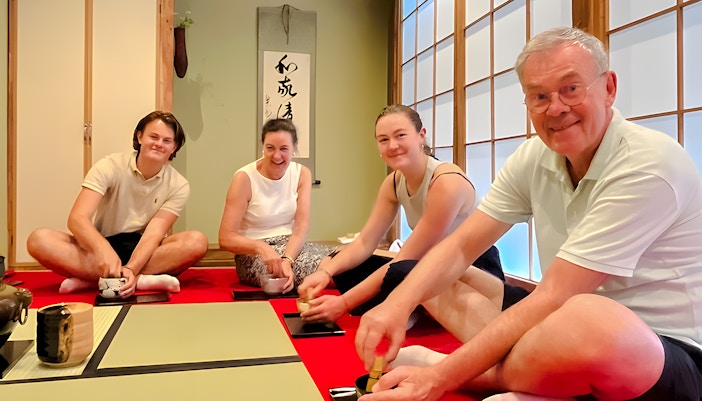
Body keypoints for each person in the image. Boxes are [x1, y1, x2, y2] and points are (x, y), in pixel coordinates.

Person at [355, 27, 702, 401]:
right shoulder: (534, 156)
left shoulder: (648, 163)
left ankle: (481, 376)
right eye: (539, 96)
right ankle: (543, 379)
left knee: (592, 319)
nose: (555, 108)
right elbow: (459, 247)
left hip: (660, 351)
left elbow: (554, 294)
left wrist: (438, 377)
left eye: (571, 88)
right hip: (559, 325)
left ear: (609, 88)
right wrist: (396, 304)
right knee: (419, 273)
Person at [297, 104, 506, 326]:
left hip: (473, 268)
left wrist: (344, 303)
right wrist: (325, 272)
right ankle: (418, 308)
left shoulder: (446, 182)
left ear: (421, 135)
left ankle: (416, 308)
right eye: (384, 139)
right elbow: (365, 242)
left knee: (403, 269)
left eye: (400, 135)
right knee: (343, 261)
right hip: (428, 264)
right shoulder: (394, 182)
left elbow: (408, 258)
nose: (393, 145)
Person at [27, 111, 209, 299]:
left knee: (196, 241)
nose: (158, 144)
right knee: (39, 239)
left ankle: (102, 278)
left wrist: (132, 267)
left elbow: (154, 234)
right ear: (139, 137)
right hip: (101, 246)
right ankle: (140, 280)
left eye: (167, 141)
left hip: (144, 250)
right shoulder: (110, 165)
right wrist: (103, 250)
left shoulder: (178, 184)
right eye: (153, 137)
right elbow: (77, 219)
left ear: (175, 147)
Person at [218, 118, 332, 293]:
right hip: (253, 255)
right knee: (334, 273)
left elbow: (301, 226)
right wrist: (260, 247)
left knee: (344, 260)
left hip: (292, 247)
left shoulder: (302, 173)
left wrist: (287, 259)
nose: (277, 156)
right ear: (262, 146)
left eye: (284, 149)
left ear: (294, 148)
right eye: (270, 148)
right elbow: (225, 238)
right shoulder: (244, 178)